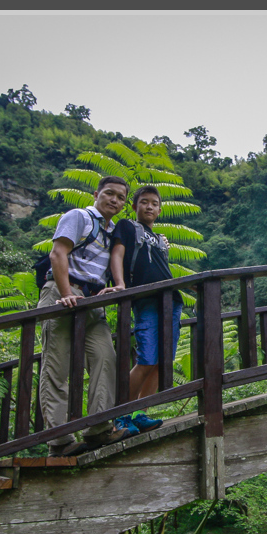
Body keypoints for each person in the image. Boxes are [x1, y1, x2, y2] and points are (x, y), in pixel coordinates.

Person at [38, 176, 138, 457]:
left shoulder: (113, 232)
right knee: (56, 365)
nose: (114, 200)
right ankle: (59, 440)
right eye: (109, 194)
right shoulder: (79, 217)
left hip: (93, 302)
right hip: (61, 293)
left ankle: (98, 428)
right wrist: (66, 291)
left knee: (105, 358)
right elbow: (58, 253)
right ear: (96, 194)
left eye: (120, 197)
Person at [112, 185, 184, 433]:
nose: (149, 206)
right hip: (146, 300)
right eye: (144, 202)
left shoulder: (160, 239)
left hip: (171, 300)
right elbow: (118, 254)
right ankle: (121, 414)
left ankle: (141, 412)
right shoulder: (127, 226)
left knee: (162, 362)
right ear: (134, 206)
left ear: (160, 209)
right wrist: (120, 284)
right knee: (146, 358)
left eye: (154, 203)